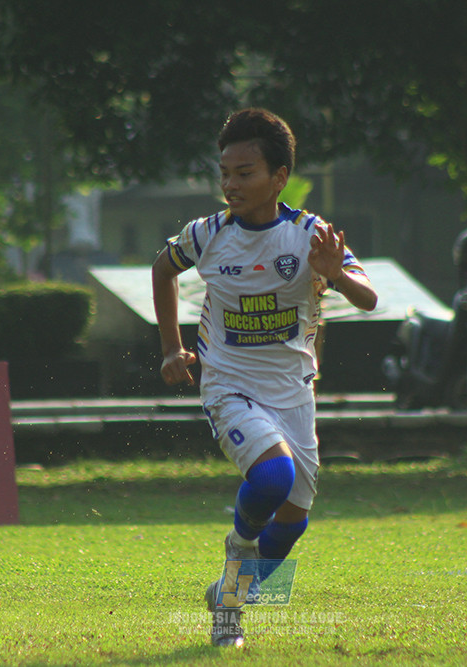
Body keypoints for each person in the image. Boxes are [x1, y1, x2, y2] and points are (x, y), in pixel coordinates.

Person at [151, 107, 377, 648]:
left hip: (295, 394)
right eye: (225, 173)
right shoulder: (206, 235)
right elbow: (163, 269)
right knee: (272, 479)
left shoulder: (311, 236)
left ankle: (228, 599)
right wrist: (171, 349)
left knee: (294, 521)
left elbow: (368, 298)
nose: (231, 184)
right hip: (229, 387)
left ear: (279, 177)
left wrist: (334, 275)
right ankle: (236, 553)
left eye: (245, 172)